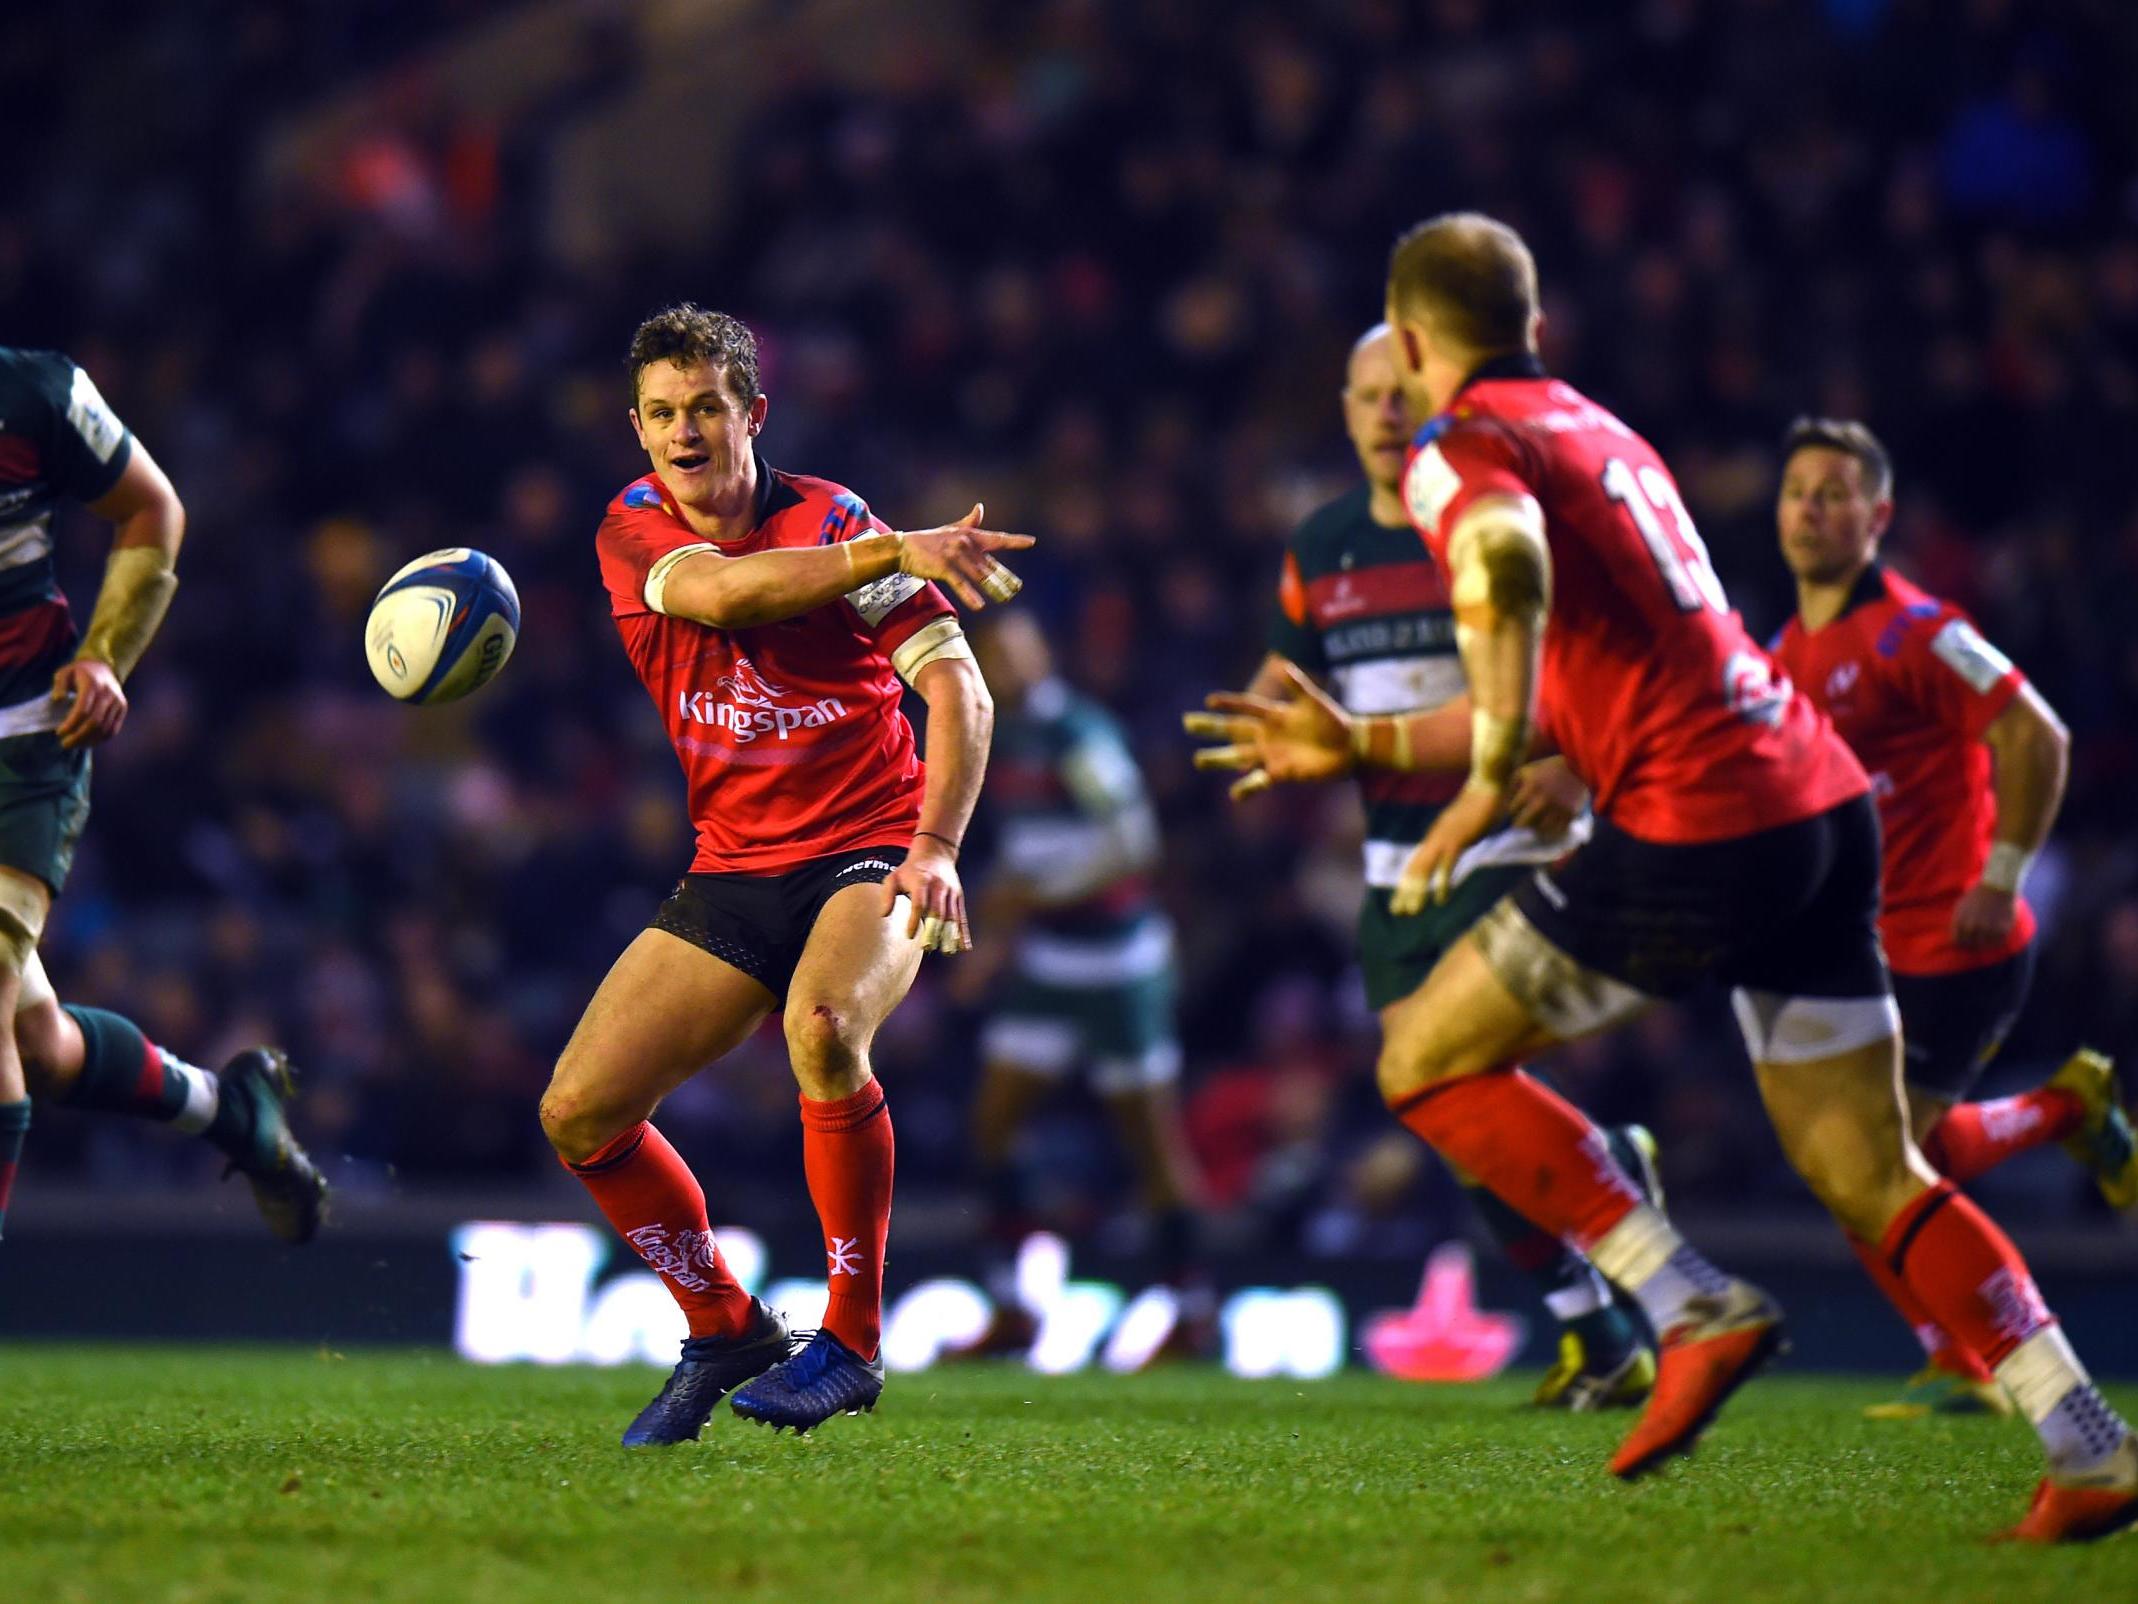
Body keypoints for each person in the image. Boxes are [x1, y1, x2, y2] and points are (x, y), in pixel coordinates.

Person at [1186, 214, 2134, 1541]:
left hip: (1696, 821)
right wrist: (1368, 743)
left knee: (1421, 1056)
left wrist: (1485, 765)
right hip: (1814, 806)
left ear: (1409, 340)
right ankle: (2085, 1438)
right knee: (1870, 1164)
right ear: (1532, 326)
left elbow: (1502, 572)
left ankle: (1684, 1299)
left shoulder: (1464, 452)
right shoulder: (1598, 429)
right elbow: (1591, 666)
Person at [538, 304, 1031, 1442]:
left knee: (821, 1027)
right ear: (637, 429)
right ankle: (725, 1326)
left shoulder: (834, 521)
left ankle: (850, 1339)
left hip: (868, 846)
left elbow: (959, 688)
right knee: (578, 1111)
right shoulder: (634, 528)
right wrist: (897, 547)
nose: (683, 432)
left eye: (706, 406)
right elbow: (724, 595)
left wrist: (938, 846)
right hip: (734, 866)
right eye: (661, 413)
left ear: (752, 412)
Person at [1237, 323, 1660, 1410]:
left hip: (1511, 850)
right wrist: (1264, 731)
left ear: (1435, 400)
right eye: (1365, 395)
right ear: (1342, 408)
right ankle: (1599, 1318)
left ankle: (1616, 1269)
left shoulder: (1491, 524)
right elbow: (1289, 677)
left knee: (1451, 1084)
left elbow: (1603, 662)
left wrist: (1570, 759)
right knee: (1453, 1114)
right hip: (1393, 872)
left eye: (1402, 392)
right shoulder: (1320, 545)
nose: (1384, 413)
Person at [1766, 416, 2134, 1418]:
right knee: (1849, 1162)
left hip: (1958, 941)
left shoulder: (1916, 630)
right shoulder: (1782, 650)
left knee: (1874, 1160)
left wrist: (2000, 873)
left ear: (1876, 517)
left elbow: (2036, 735)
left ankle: (1986, 1352)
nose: (1810, 507)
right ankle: (2058, 1120)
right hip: (1866, 948)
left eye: (1834, 491)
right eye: (1796, 489)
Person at [0, 346, 324, 1244]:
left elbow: (151, 508)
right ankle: (234, 1112)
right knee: (40, 1046)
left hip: (24, 738)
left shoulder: (35, 394)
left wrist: (104, 651)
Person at [946, 608, 1213, 1363]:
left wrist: (1034, 900)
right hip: (1047, 963)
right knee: (991, 1126)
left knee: (1151, 1143)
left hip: (1119, 963)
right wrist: (994, 935)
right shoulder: (998, 733)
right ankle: (1013, 1307)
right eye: (998, 655)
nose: (1011, 666)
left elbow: (1134, 844)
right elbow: (1031, 851)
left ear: (1043, 655)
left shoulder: (1078, 733)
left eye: (1020, 651)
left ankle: (1194, 1314)